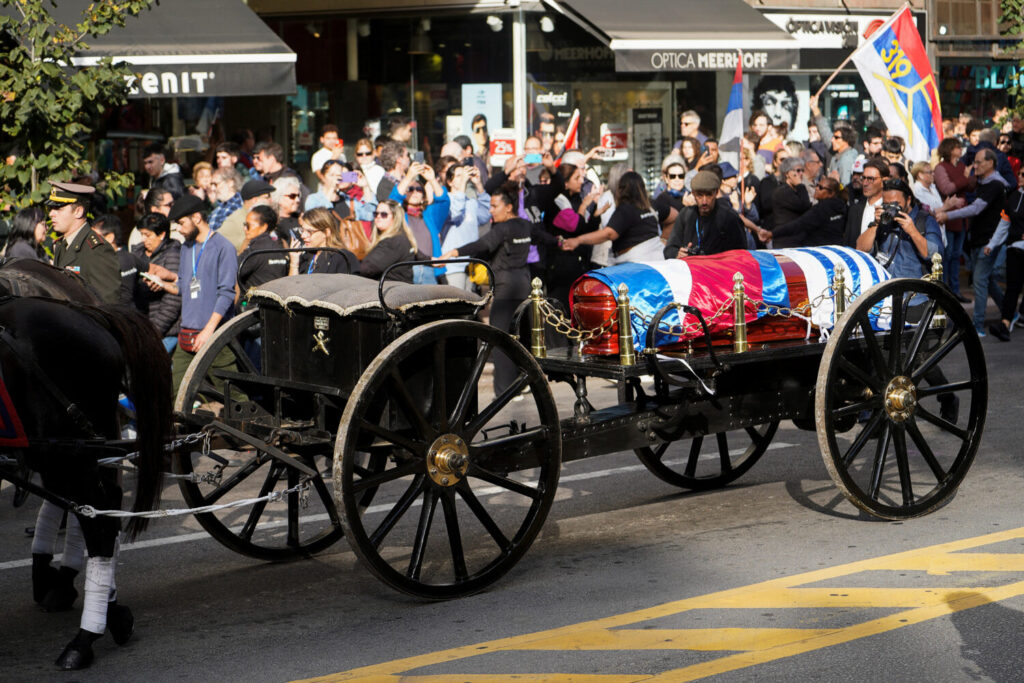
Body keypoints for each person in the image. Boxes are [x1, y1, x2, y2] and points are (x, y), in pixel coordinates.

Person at [441, 185, 553, 393]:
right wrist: (563, 242)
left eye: (495, 206)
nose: (491, 210)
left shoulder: (502, 229)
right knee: (523, 337)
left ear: (508, 207)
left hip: (506, 290)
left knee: (500, 340)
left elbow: (480, 245)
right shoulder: (525, 225)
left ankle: (505, 390)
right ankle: (525, 381)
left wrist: (453, 252)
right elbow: (545, 238)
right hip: (524, 287)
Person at [165, 194, 238, 395]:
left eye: (181, 223)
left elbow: (226, 293)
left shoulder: (224, 247)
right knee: (176, 394)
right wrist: (161, 283)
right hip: (187, 335)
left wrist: (208, 331)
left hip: (214, 336)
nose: (179, 229)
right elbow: (183, 286)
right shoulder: (186, 247)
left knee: (233, 397)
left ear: (197, 217)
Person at [937, 148, 1011, 336]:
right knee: (988, 280)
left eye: (978, 162)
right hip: (979, 240)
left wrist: (947, 215)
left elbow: (976, 209)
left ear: (990, 163)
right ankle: (1010, 313)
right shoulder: (984, 183)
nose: (974, 166)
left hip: (989, 241)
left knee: (979, 280)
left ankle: (976, 326)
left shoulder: (995, 184)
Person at [561, 171, 662, 263]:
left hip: (636, 263)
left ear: (621, 189)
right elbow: (673, 215)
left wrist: (578, 240)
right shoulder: (650, 206)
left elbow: (609, 234)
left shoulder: (626, 209)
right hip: (657, 258)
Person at [47, 182, 120, 303]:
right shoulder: (62, 244)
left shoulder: (98, 249)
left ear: (78, 212)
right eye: (51, 208)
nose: (51, 214)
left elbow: (108, 304)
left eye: (58, 208)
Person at [664, 171, 746, 258]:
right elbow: (670, 249)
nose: (704, 202)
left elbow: (740, 253)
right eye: (699, 196)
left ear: (716, 193)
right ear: (693, 194)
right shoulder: (685, 215)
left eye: (708, 195)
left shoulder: (729, 218)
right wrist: (678, 254)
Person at [131, 212, 181, 353]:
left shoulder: (172, 255)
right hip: (142, 326)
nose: (143, 239)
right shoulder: (137, 254)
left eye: (148, 235)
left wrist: (154, 331)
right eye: (142, 234)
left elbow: (173, 301)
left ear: (161, 235)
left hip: (165, 331)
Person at [934, 138, 974, 302]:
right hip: (948, 218)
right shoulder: (941, 167)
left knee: (956, 256)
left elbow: (972, 186)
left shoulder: (962, 166)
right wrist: (965, 179)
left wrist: (968, 177)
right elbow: (947, 188)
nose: (960, 149)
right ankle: (945, 293)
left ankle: (955, 291)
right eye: (957, 147)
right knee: (947, 256)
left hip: (962, 218)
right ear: (950, 149)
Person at [441, 161, 489, 290]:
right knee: (456, 304)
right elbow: (455, 213)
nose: (463, 178)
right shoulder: (446, 200)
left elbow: (486, 215)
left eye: (464, 174)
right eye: (458, 176)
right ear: (450, 182)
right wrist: (463, 184)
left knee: (472, 305)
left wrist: (478, 184)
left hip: (471, 264)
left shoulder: (470, 202)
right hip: (453, 265)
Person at [988, 169, 1024, 340]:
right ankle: (1005, 324)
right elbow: (1004, 224)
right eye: (1020, 173)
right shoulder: (1014, 196)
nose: (1020, 176)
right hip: (1014, 248)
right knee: (1012, 288)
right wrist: (992, 244)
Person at [766, 177, 847, 247]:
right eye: (817, 185)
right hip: (837, 248)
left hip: (819, 251)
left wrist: (772, 233)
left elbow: (799, 224)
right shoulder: (843, 206)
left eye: (820, 188)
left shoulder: (821, 209)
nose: (816, 188)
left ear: (831, 193)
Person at [287, 208, 359, 276]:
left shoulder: (343, 257)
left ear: (327, 232)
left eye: (309, 231)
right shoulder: (306, 256)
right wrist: (294, 264)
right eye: (302, 230)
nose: (303, 235)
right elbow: (293, 286)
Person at [360, 200, 419, 283]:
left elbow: (367, 268)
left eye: (384, 214)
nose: (378, 217)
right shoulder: (402, 237)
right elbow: (417, 254)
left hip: (392, 291)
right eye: (376, 214)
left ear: (395, 217)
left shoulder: (393, 241)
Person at [237, 205, 289, 295]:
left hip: (255, 304)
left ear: (264, 226)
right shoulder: (278, 247)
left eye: (248, 225)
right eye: (244, 225)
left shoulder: (256, 250)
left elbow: (233, 270)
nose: (245, 229)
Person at [304, 160, 378, 220]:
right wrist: (331, 190)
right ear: (323, 177)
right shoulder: (313, 199)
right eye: (332, 175)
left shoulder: (347, 199)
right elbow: (317, 220)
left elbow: (369, 215)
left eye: (339, 175)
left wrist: (365, 187)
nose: (336, 178)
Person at [843, 159, 890, 248]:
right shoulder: (854, 209)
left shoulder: (890, 210)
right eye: (863, 178)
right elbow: (848, 244)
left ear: (884, 181)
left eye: (870, 179)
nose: (865, 183)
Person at [769, 157, 812, 248]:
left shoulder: (794, 190)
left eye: (802, 171)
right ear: (788, 174)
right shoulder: (782, 191)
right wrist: (800, 185)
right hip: (786, 241)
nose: (801, 174)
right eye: (798, 171)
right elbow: (804, 206)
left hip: (795, 239)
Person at [208, 167, 245, 232]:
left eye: (216, 184)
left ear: (230, 183)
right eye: (211, 184)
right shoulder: (220, 207)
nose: (212, 188)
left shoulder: (236, 206)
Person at [310, 124, 346, 189]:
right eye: (328, 138)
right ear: (322, 139)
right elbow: (322, 177)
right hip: (326, 191)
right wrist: (334, 157)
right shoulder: (317, 156)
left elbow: (346, 175)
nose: (332, 141)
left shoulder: (341, 155)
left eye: (334, 138)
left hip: (342, 191)